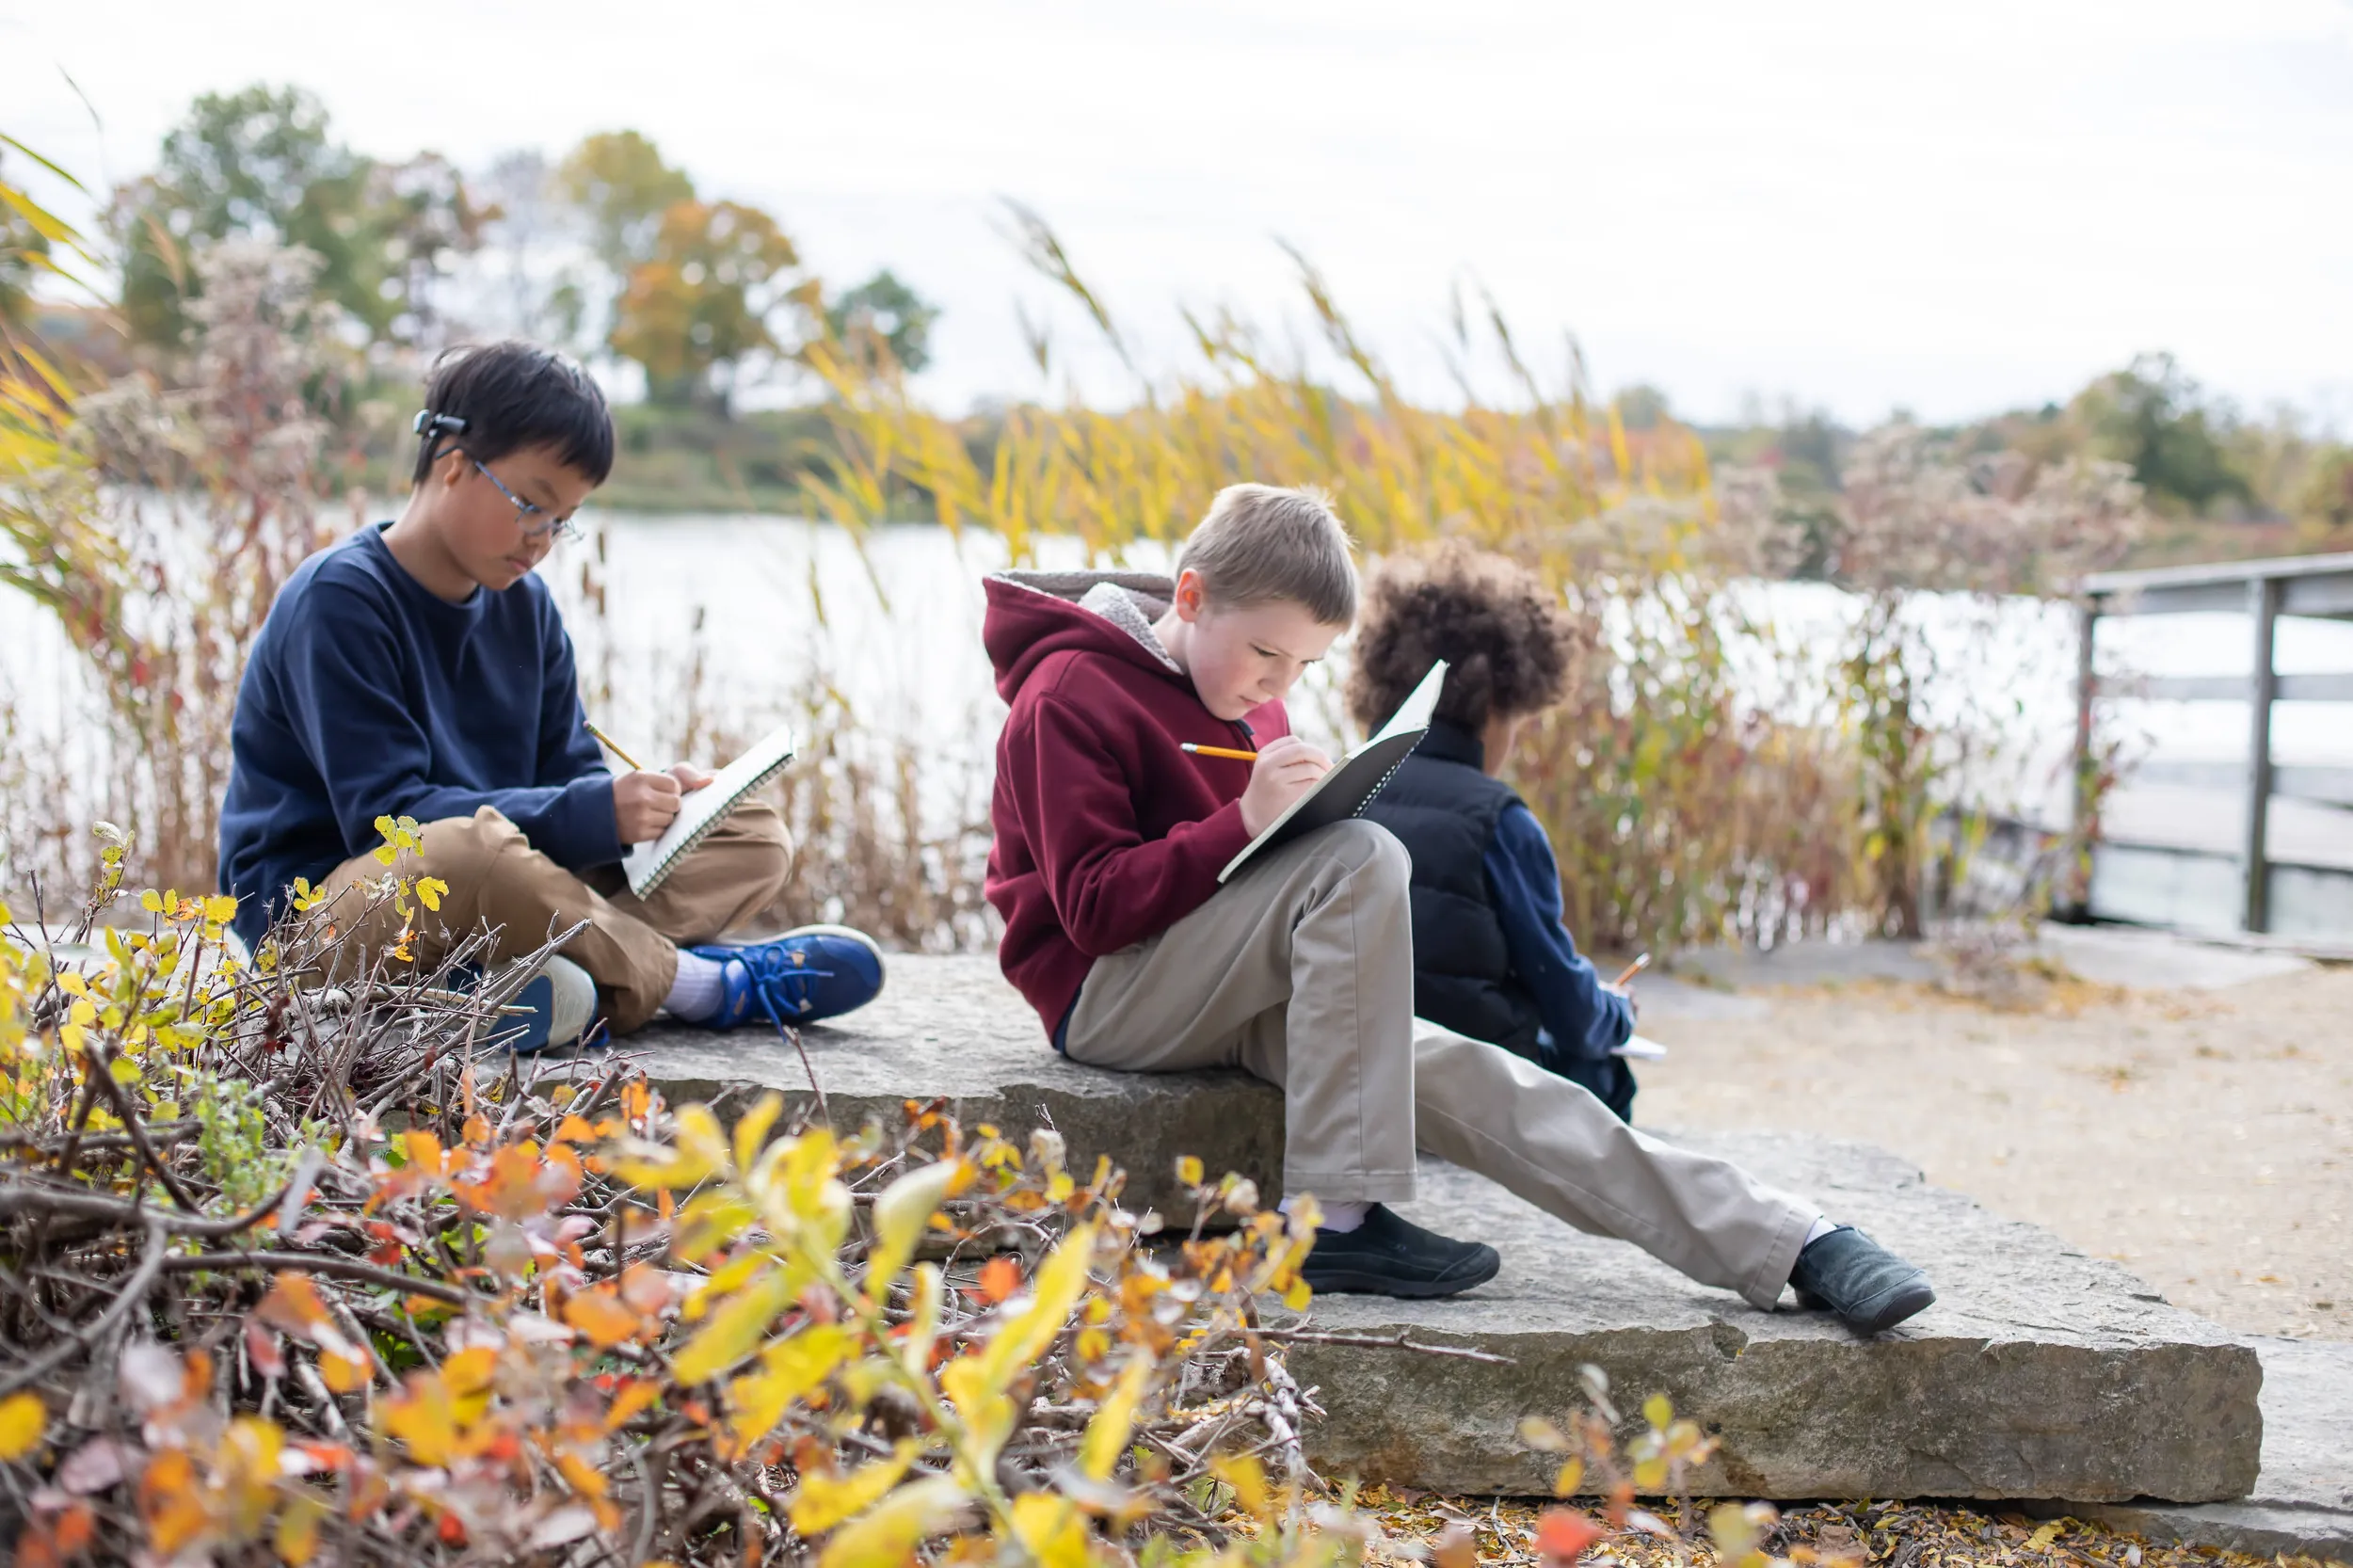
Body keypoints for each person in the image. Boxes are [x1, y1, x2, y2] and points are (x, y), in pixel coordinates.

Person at [982, 483, 1934, 1336]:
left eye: (1306, 667)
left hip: (1223, 977)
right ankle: (1337, 1222)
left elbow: (1248, 870)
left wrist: (1291, 814)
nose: (1277, 686)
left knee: (1473, 1076)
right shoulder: (1068, 692)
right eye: (1267, 653)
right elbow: (1094, 910)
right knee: (1360, 854)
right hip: (1107, 997)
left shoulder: (1247, 695)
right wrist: (1244, 823)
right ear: (1188, 597)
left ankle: (1788, 1239)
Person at [217, 341, 883, 1047]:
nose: (542, 540)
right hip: (329, 923)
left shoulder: (525, 607)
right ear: (451, 466)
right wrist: (588, 812)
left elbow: (568, 780)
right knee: (469, 852)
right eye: (531, 505)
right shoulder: (341, 600)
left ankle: (514, 986)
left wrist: (649, 807)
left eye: (562, 520)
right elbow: (391, 819)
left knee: (751, 833)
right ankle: (701, 985)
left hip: (501, 890)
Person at [1351, 544, 1638, 1121]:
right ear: (1493, 708)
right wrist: (1616, 1012)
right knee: (1606, 1074)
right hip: (1477, 1082)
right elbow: (1567, 1006)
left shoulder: (1339, 788)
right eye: (1519, 722)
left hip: (1359, 1072)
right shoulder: (1497, 819)